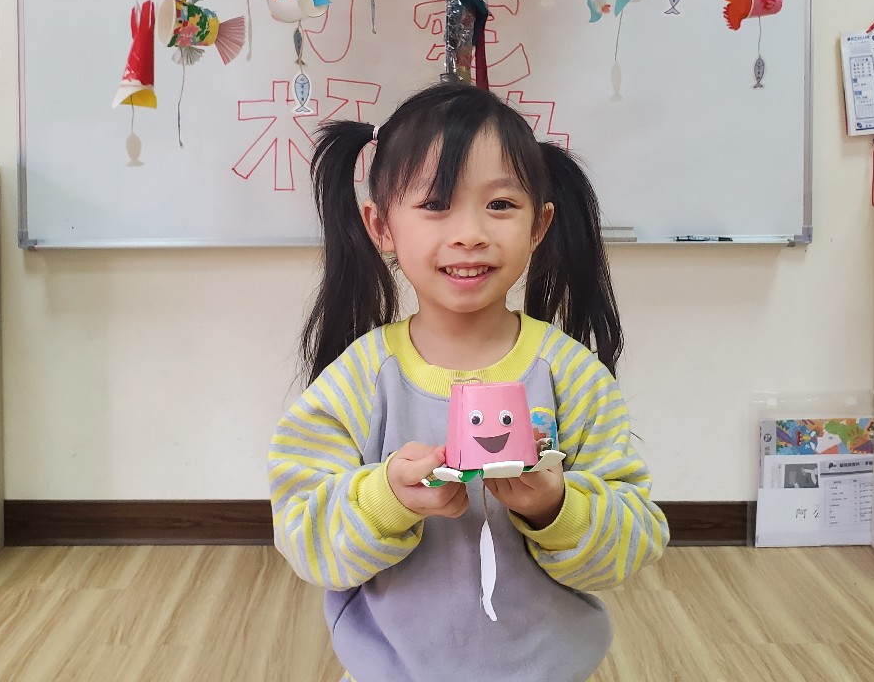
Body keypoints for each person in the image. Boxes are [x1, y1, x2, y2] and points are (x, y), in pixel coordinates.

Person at [269, 82, 669, 682]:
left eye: (501, 204)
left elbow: (633, 542)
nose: (470, 233)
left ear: (540, 225)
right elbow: (304, 539)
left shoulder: (573, 376)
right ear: (381, 225)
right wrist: (387, 498)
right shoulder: (357, 380)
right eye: (435, 204)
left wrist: (556, 507)